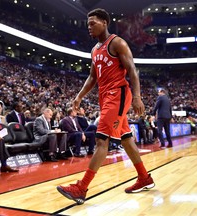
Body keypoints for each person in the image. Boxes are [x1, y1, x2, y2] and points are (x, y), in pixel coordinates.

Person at [57, 8, 154, 205]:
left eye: (93, 23)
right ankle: (144, 177)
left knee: (102, 141)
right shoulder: (94, 50)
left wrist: (137, 96)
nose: (89, 27)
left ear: (104, 22)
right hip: (106, 97)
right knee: (126, 139)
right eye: (88, 25)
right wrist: (78, 97)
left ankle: (81, 187)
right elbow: (92, 77)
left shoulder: (117, 42)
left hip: (118, 94)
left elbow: (132, 71)